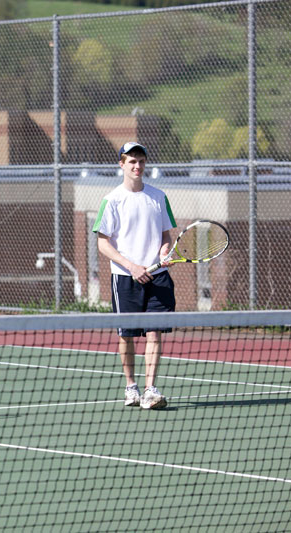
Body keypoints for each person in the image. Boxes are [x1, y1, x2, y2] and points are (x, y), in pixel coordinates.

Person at [92, 142, 176, 410]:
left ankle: (150, 389)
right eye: (131, 162)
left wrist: (164, 252)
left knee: (154, 333)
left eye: (140, 161)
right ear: (121, 165)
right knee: (126, 335)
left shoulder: (159, 197)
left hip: (157, 275)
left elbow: (166, 234)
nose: (137, 166)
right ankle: (131, 387)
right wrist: (131, 266)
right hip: (125, 278)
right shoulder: (112, 200)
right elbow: (103, 243)